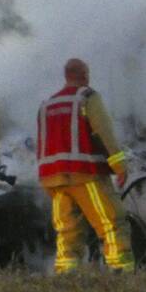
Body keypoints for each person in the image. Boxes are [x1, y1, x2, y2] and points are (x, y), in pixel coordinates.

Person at [37, 58, 134, 273]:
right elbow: (103, 131)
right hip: (85, 174)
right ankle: (122, 270)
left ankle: (66, 273)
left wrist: (45, 181)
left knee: (68, 231)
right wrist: (119, 165)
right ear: (84, 75)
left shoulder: (47, 104)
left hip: (54, 179)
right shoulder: (87, 97)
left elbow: (42, 145)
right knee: (113, 222)